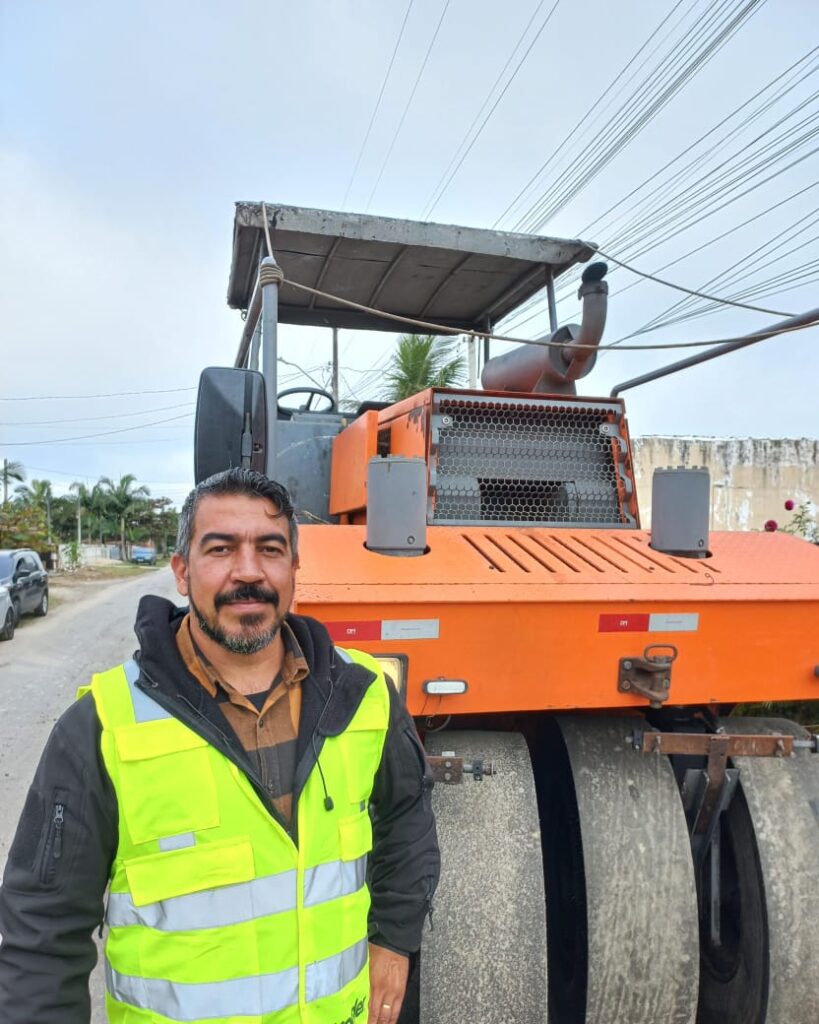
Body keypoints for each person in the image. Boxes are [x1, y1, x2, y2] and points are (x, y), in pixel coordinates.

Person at [0, 468, 440, 1024]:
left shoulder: (364, 694)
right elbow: (42, 934)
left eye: (270, 548)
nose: (248, 571)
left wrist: (395, 941)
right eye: (221, 548)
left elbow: (407, 820)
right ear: (182, 571)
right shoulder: (103, 727)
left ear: (295, 568)